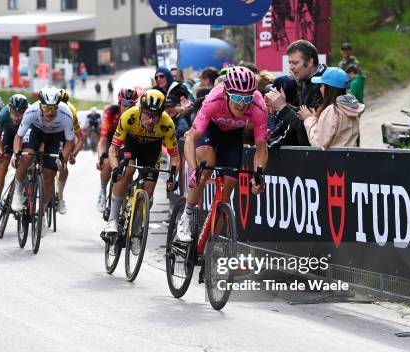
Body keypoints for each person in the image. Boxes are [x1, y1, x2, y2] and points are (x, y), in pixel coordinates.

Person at [176, 66, 268, 242]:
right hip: (210, 129)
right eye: (236, 97)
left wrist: (258, 174)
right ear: (226, 94)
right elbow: (191, 139)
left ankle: (209, 246)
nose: (242, 104)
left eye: (247, 98)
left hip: (233, 136)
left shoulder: (258, 106)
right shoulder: (213, 99)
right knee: (205, 170)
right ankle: (186, 216)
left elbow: (262, 148)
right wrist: (193, 169)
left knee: (225, 196)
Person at [103, 89, 179, 234]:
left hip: (151, 148)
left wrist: (172, 176)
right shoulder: (128, 116)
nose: (151, 120)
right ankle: (112, 220)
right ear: (141, 110)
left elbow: (174, 156)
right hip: (131, 143)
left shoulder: (167, 123)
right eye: (148, 115)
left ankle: (136, 231)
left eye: (156, 116)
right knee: (126, 171)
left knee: (148, 191)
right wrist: (115, 169)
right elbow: (113, 148)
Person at [10, 86, 75, 228]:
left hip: (55, 137)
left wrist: (62, 157)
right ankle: (18, 193)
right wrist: (16, 154)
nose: (50, 112)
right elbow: (18, 136)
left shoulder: (66, 113)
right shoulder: (32, 111)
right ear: (40, 105)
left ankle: (42, 214)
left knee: (49, 175)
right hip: (36, 132)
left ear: (58, 105)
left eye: (53, 108)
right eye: (46, 108)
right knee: (26, 157)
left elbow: (70, 141)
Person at [264, 39, 327, 146]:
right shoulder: (307, 81)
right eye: (290, 63)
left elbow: (309, 128)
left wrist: (283, 108)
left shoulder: (324, 85)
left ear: (310, 62)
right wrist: (282, 105)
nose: (291, 67)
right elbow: (301, 115)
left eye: (295, 63)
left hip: (318, 155)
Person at [96, 88, 140, 213]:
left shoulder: (137, 114)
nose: (128, 108)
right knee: (106, 163)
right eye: (125, 105)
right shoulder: (110, 112)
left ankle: (128, 194)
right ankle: (103, 192)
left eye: (131, 105)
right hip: (112, 137)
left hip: (127, 139)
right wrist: (100, 157)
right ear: (119, 104)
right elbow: (103, 140)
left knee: (130, 166)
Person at [297, 67, 365, 148]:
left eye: (322, 85)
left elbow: (319, 143)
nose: (320, 88)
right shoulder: (351, 107)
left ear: (329, 88)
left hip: (334, 159)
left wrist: (309, 119)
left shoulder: (332, 110)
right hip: (349, 158)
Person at [0, 94, 28, 224]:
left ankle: (24, 192)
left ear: (25, 111)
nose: (17, 117)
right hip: (9, 136)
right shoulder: (4, 114)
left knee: (27, 161)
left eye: (20, 114)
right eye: (14, 113)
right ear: (9, 109)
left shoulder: (31, 115)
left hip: (24, 137)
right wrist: (0, 150)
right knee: (2, 164)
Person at [55, 88, 85, 215]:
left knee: (63, 165)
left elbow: (80, 138)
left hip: (65, 135)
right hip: (50, 132)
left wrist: (73, 154)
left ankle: (60, 197)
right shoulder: (48, 109)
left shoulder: (70, 112)